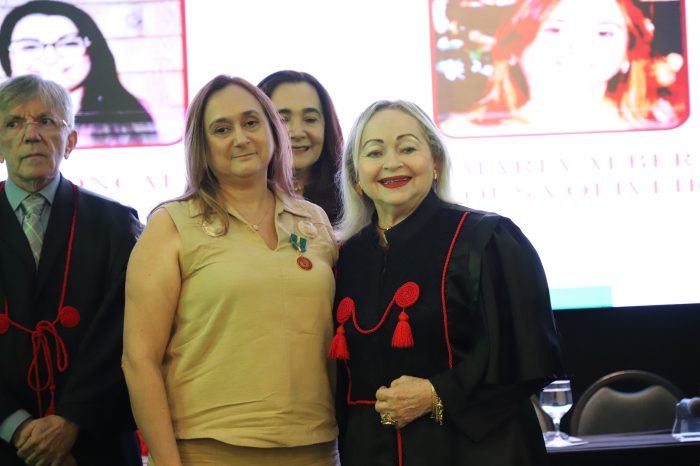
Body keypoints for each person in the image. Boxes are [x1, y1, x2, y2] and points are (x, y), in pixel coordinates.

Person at [329, 99, 564, 465]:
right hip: (372, 452)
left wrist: (436, 393)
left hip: (472, 451)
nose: (392, 162)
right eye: (374, 152)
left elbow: (525, 355)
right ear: (356, 175)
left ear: (435, 161)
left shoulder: (485, 238)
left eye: (408, 148)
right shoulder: (345, 258)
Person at [122, 75, 339, 466]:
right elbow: (139, 360)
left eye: (251, 122)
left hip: (316, 448)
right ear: (202, 146)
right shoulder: (171, 224)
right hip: (206, 450)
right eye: (222, 129)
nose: (240, 138)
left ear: (273, 132)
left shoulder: (314, 220)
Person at [0, 74, 142, 465]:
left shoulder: (117, 225)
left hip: (95, 443)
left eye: (46, 121)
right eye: (14, 123)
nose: (31, 134)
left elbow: (126, 334)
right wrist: (16, 426)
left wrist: (71, 421)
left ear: (72, 140)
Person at [439, 0, 687, 134]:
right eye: (555, 29)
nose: (577, 46)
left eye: (603, 33)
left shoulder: (662, 129)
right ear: (514, 47)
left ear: (628, 55)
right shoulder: (459, 133)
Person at [0, 0, 158, 147]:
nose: (50, 58)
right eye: (29, 47)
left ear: (91, 50)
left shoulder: (142, 116)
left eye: (68, 43)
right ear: (8, 57)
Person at [258, 70, 343, 224]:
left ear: (327, 127)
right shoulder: (235, 201)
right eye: (282, 120)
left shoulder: (353, 201)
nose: (297, 133)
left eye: (310, 119)